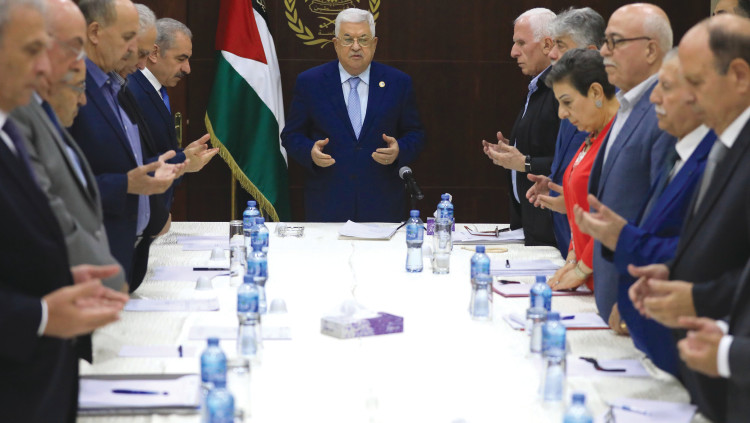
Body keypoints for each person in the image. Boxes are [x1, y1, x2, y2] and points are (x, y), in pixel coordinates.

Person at [0, 1, 128, 421]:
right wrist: (40, 315)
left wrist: (61, 273)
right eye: (31, 50)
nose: (44, 68)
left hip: (41, 380)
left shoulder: (9, 132)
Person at [628, 15, 750, 422]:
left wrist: (701, 301)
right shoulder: (725, 142)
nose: (690, 98)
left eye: (695, 82)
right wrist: (676, 272)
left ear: (739, 76)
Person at [573, 49, 716, 376]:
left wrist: (622, 237)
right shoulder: (682, 152)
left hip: (691, 348)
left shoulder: (712, 160)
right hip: (651, 336)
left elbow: (698, 254)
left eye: (666, 86)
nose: (654, 97)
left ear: (702, 92)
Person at [11, 0, 127, 292]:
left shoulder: (42, 109)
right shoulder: (19, 113)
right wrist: (108, 279)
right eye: (74, 48)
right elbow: (49, 211)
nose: (80, 62)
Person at [69, 0, 184, 290]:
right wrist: (126, 184)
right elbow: (60, 183)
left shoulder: (115, 86)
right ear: (94, 33)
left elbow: (129, 159)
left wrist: (156, 168)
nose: (135, 53)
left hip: (125, 254)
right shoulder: (74, 87)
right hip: (91, 260)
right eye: (127, 38)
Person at [281, 8, 424, 222]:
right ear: (336, 44)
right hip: (327, 203)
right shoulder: (310, 82)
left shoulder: (398, 82)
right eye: (348, 39)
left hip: (382, 204)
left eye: (363, 39)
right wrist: (310, 151)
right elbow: (291, 135)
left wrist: (399, 150)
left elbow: (415, 133)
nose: (356, 47)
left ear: (374, 44)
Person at [586, 3, 675, 318]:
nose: (604, 52)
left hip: (634, 295)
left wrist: (634, 299)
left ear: (651, 50)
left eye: (615, 42)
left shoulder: (663, 113)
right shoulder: (626, 103)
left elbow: (661, 215)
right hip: (610, 287)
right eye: (605, 42)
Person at [528, 49, 618, 293]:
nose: (561, 113)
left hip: (607, 278)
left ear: (596, 92)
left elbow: (614, 215)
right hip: (586, 280)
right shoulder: (592, 135)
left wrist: (582, 269)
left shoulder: (617, 138)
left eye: (567, 102)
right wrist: (572, 260)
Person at [525, 7, 606, 257]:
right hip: (568, 241)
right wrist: (554, 182)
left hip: (593, 250)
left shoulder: (600, 109)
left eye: (560, 45)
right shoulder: (570, 97)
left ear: (590, 53)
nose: (551, 53)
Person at [126, 16, 218, 216]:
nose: (187, 69)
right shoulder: (132, 92)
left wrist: (184, 154)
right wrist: (184, 161)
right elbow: (137, 164)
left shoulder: (155, 90)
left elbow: (157, 151)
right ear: (154, 53)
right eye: (181, 59)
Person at [482, 8, 558, 247]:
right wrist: (512, 150)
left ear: (547, 45)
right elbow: (541, 144)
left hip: (552, 229)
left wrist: (524, 163)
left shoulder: (561, 90)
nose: (513, 52)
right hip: (529, 222)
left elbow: (571, 158)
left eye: (521, 43)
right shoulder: (537, 86)